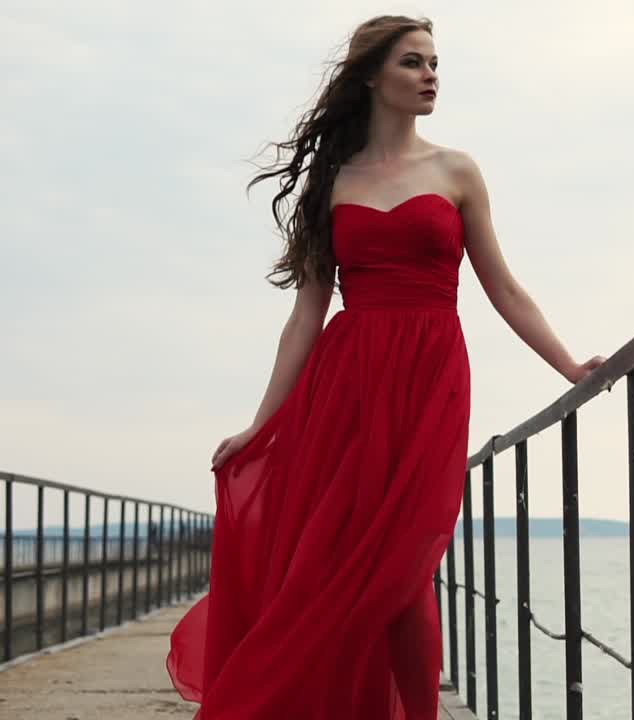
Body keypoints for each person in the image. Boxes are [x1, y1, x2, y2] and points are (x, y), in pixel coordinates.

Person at [166, 15, 605, 719]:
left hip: (430, 383)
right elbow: (306, 316)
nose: (431, 75)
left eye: (435, 63)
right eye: (413, 62)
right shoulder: (331, 184)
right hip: (347, 390)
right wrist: (260, 425)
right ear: (372, 77)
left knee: (403, 572)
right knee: (331, 571)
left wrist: (568, 367)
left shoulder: (457, 170)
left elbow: (504, 287)